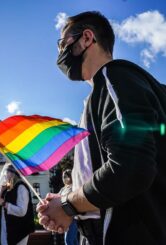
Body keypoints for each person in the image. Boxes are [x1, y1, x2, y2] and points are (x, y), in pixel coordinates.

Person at [37, 11, 166, 245]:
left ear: (86, 38)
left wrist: (68, 205)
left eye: (62, 43)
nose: (60, 53)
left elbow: (131, 168)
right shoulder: (103, 92)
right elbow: (102, 171)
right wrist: (67, 201)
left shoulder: (116, 78)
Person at [0, 164, 35, 245]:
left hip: (19, 230)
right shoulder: (6, 189)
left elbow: (22, 211)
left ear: (13, 173)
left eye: (7, 172)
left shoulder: (21, 188)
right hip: (5, 228)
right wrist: (1, 191)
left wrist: (4, 204)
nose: (5, 175)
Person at [59, 169, 78, 245]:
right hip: (65, 216)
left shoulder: (74, 187)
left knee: (68, 240)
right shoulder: (63, 189)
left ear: (70, 177)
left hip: (73, 217)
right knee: (73, 240)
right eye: (63, 177)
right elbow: (57, 197)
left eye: (65, 176)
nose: (64, 178)